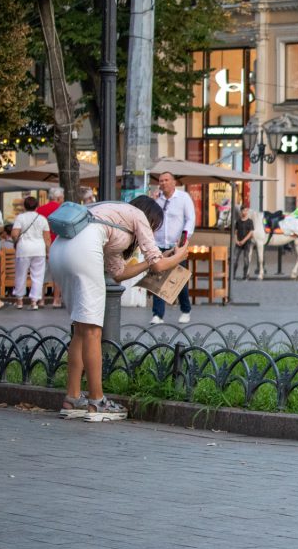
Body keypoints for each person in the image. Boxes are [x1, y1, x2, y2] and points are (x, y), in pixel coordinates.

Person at [49, 196, 189, 421]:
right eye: (154, 228)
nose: (151, 232)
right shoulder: (138, 215)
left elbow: (119, 273)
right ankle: (97, 402)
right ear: (150, 218)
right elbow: (159, 265)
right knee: (94, 331)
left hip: (59, 251)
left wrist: (155, 260)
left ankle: (72, 398)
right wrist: (179, 256)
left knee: (81, 330)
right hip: (84, 251)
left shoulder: (111, 217)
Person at [151, 171, 195, 324]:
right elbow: (149, 219)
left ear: (174, 182)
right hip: (159, 245)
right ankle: (157, 314)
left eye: (166, 180)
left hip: (176, 245)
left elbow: (190, 219)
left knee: (178, 279)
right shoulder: (157, 200)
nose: (163, 183)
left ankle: (185, 309)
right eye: (161, 180)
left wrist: (183, 239)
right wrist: (152, 201)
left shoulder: (183, 198)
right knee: (158, 278)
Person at [11, 196, 51, 310]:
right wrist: (48, 252)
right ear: (37, 206)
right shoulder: (42, 219)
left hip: (23, 249)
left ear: (24, 206)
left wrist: (16, 241)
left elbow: (14, 234)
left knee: (20, 274)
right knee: (38, 276)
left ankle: (19, 301)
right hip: (39, 249)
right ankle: (34, 301)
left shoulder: (20, 218)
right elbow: (47, 238)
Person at [37, 187, 65, 307]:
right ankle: (56, 300)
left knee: (41, 274)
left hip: (41, 245)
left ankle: (41, 299)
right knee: (57, 275)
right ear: (59, 198)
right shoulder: (62, 209)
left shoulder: (39, 210)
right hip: (58, 245)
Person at [234, 205, 255, 280]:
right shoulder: (238, 221)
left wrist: (244, 241)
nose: (245, 212)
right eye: (243, 211)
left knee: (246, 260)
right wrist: (236, 240)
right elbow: (235, 232)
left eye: (246, 211)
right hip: (238, 242)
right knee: (234, 258)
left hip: (246, 243)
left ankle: (245, 275)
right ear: (241, 211)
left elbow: (251, 233)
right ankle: (233, 275)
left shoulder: (250, 221)